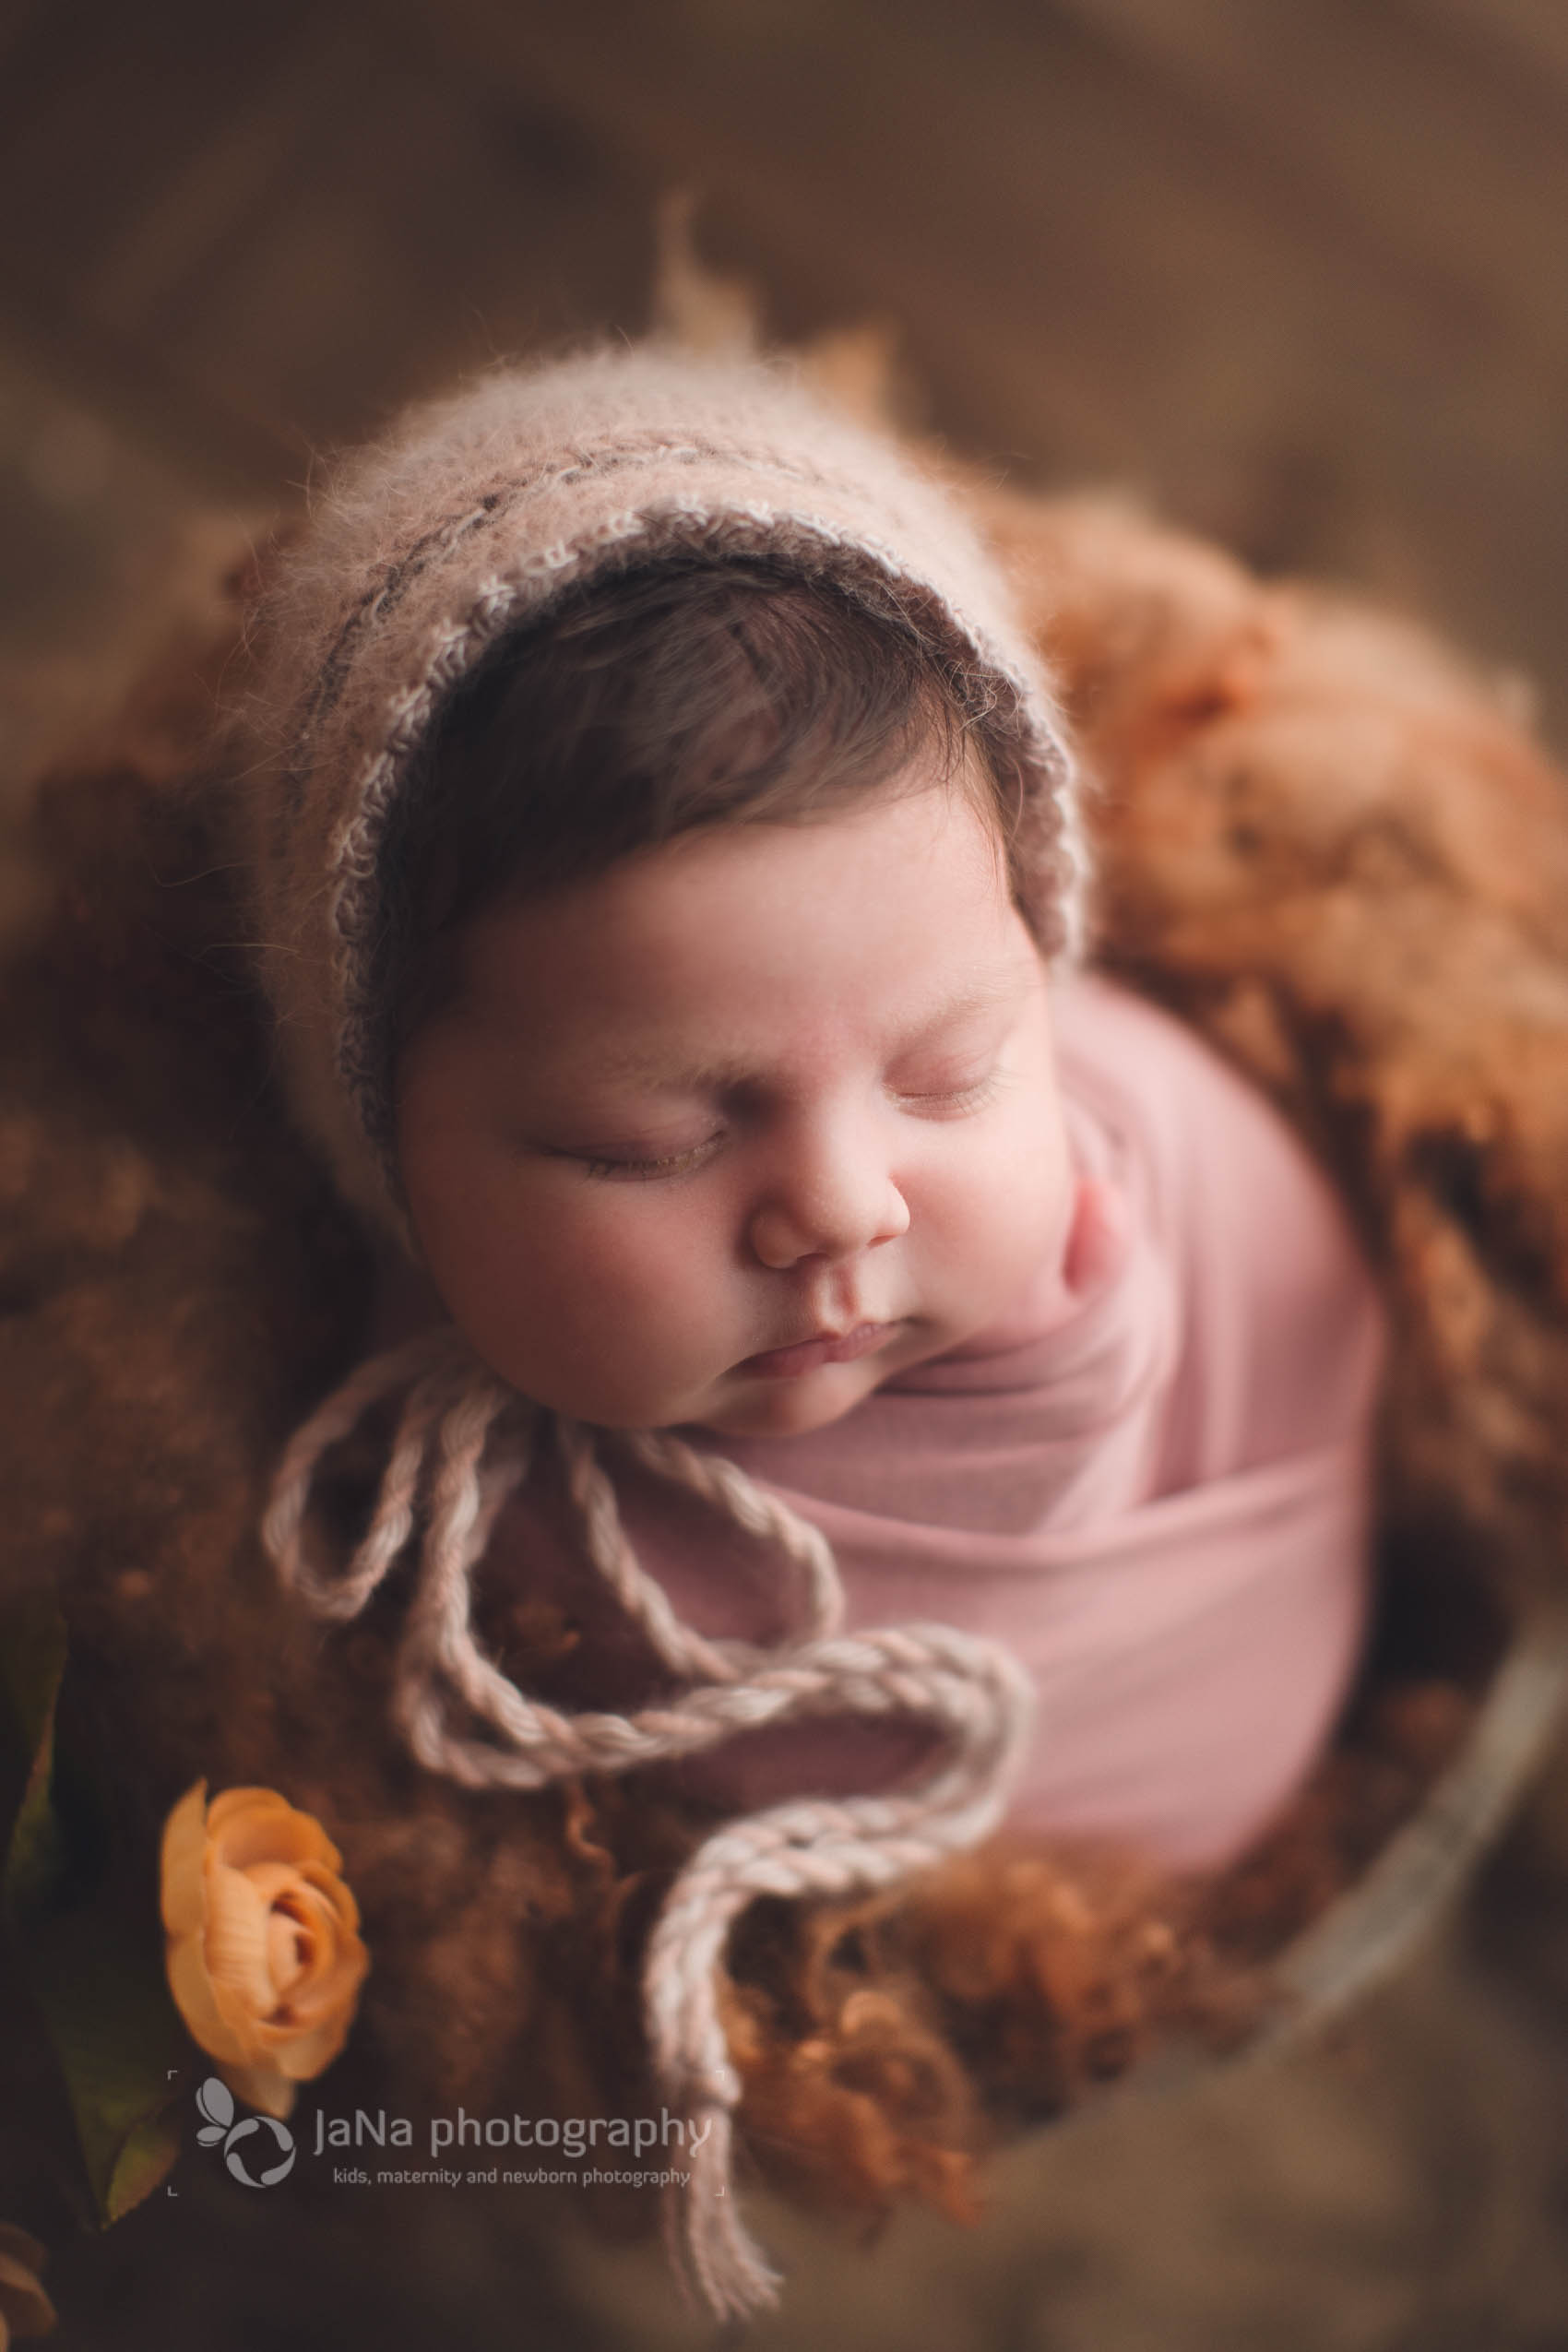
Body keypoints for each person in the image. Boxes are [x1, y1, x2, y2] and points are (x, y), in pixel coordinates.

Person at [237, 342, 1386, 2313]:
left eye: (949, 1071)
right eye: (650, 1136)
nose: (842, 1203)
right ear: (383, 1148)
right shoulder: (385, 1533)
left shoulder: (1198, 1176)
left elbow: (1346, 1366)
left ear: (1045, 957)